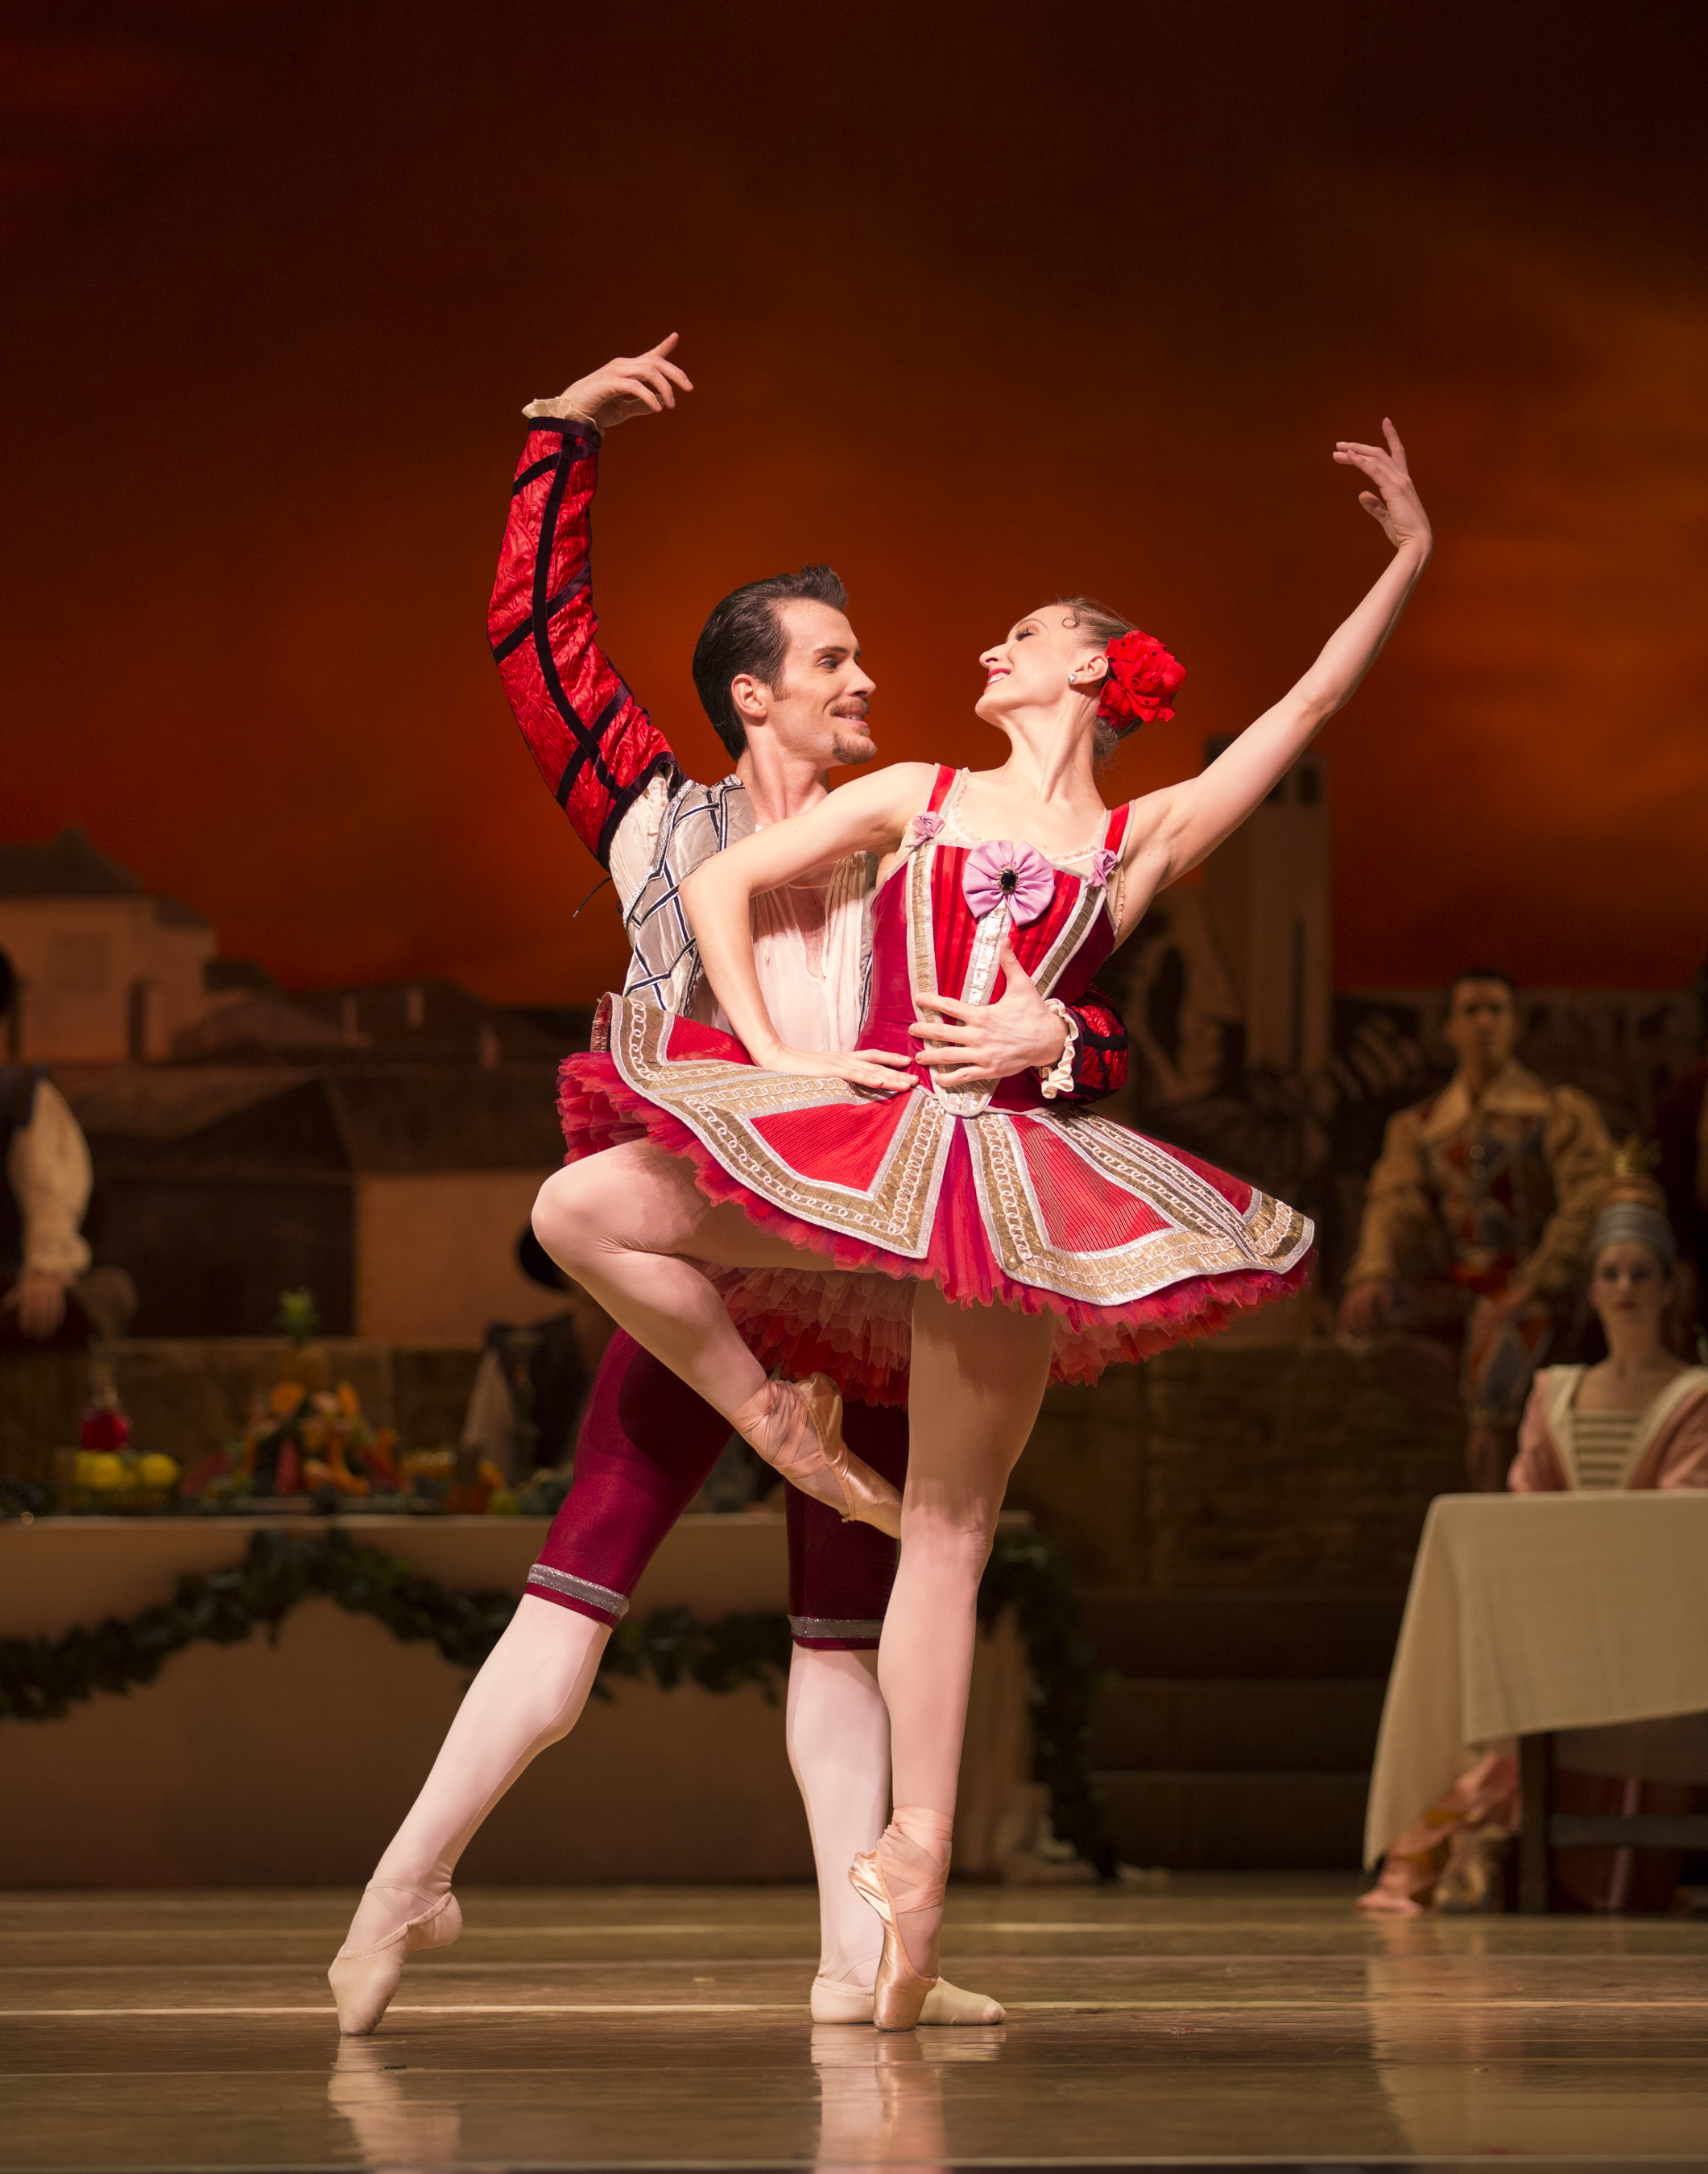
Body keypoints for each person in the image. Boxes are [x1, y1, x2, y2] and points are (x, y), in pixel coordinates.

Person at [531, 411, 1432, 2025]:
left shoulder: (1131, 840)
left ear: (1087, 668)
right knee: (589, 1202)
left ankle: (919, 1875)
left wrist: (1410, 560)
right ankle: (771, 1422)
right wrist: (784, 1058)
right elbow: (726, 886)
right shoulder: (921, 791)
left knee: (949, 1534)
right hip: (875, 1148)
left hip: (1010, 1188)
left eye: (1019, 635)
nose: (982, 651)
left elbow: (1303, 708)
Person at [329, 340, 1129, 2035]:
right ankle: (402, 1891)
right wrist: (563, 434)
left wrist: (1063, 1034)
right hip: (710, 1263)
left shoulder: (915, 833)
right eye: (832, 660)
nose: (866, 681)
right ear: (752, 693)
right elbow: (535, 645)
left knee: (839, 1629)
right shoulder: (659, 824)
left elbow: (1067, 981)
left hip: (853, 1264)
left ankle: (857, 1963)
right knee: (581, 1589)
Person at [1358, 1160, 1708, 1916]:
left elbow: (1684, 1518)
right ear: (1592, 1288)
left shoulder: (1694, 1397)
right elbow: (1528, 1508)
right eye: (1610, 1273)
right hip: (1562, 1624)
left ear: (1667, 1286)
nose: (1624, 1288)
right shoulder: (1556, 1393)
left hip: (1653, 1625)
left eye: (1640, 1273)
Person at [1338, 969, 1612, 1490]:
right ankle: (1481, 1409)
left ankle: (1492, 1451)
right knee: (1368, 1327)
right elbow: (1394, 1203)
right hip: (1460, 1283)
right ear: (1449, 1028)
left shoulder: (1558, 1111)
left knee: (1504, 1346)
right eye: (1470, 1011)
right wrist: (1374, 1272)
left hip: (1535, 1285)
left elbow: (1587, 1201)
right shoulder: (1420, 1127)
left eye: (1496, 1010)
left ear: (1514, 1025)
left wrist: (1537, 1280)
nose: (1484, 1022)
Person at [0, 951, 134, 1350]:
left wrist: (46, 1271)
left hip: (10, 1280)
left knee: (110, 1291)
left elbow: (51, 1192)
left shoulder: (20, 1096)